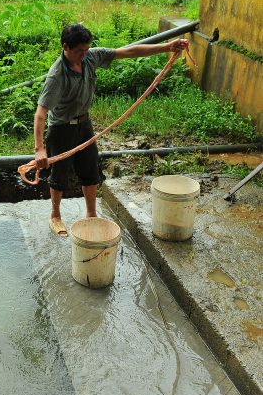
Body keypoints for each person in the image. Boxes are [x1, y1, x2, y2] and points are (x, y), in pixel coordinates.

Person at [34, 23, 189, 237]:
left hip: (84, 124)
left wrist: (167, 47)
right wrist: (39, 149)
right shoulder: (57, 75)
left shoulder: (90, 57)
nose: (83, 55)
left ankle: (91, 214)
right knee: (59, 174)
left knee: (90, 170)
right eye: (79, 51)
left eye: (86, 49)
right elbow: (40, 113)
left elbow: (128, 51)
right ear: (65, 47)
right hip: (61, 128)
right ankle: (55, 216)